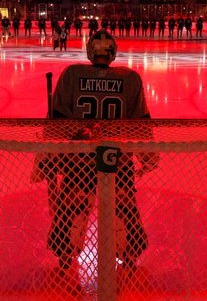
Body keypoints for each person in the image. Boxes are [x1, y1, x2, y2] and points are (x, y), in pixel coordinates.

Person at [41, 30, 153, 277]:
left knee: (71, 212)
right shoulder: (130, 79)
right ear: (113, 52)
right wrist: (148, 157)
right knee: (123, 211)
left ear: (90, 51)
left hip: (78, 163)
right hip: (117, 161)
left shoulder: (71, 75)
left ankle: (64, 256)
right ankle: (129, 256)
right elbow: (141, 125)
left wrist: (49, 156)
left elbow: (57, 121)